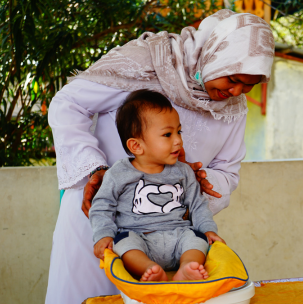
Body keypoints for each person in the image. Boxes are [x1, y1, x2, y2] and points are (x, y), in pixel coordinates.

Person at [46, 9, 274, 304]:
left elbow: (226, 171)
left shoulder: (233, 105)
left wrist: (198, 180)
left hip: (167, 229)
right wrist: (94, 169)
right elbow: (68, 104)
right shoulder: (148, 62)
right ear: (215, 56)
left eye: (249, 84)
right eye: (232, 78)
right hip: (97, 212)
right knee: (87, 295)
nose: (236, 91)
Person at [90, 90, 224, 282]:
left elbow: (198, 205)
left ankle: (187, 268)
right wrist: (103, 235)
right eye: (167, 134)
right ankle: (150, 270)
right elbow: (102, 206)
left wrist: (208, 229)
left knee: (197, 240)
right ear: (136, 146)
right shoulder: (118, 173)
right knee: (123, 243)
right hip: (139, 237)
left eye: (179, 131)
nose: (178, 140)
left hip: (178, 235)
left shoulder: (183, 171)